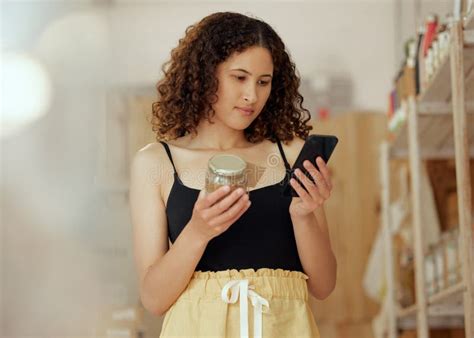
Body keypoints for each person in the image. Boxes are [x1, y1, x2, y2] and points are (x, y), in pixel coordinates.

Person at [129, 11, 337, 338]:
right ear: (204, 75)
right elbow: (154, 300)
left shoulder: (291, 155)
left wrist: (303, 215)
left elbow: (323, 286)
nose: (252, 96)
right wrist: (198, 232)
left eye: (263, 82)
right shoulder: (157, 162)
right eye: (239, 77)